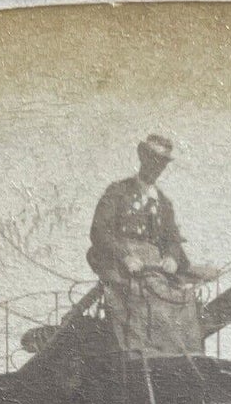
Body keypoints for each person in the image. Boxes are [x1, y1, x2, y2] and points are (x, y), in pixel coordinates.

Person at [87, 135, 217, 356]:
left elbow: (173, 239)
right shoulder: (118, 192)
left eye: (162, 162)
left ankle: (181, 354)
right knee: (138, 296)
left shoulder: (164, 203)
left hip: (155, 268)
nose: (156, 166)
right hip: (123, 264)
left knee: (182, 297)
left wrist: (172, 258)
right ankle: (141, 352)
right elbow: (99, 231)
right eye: (152, 158)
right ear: (142, 157)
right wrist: (125, 256)